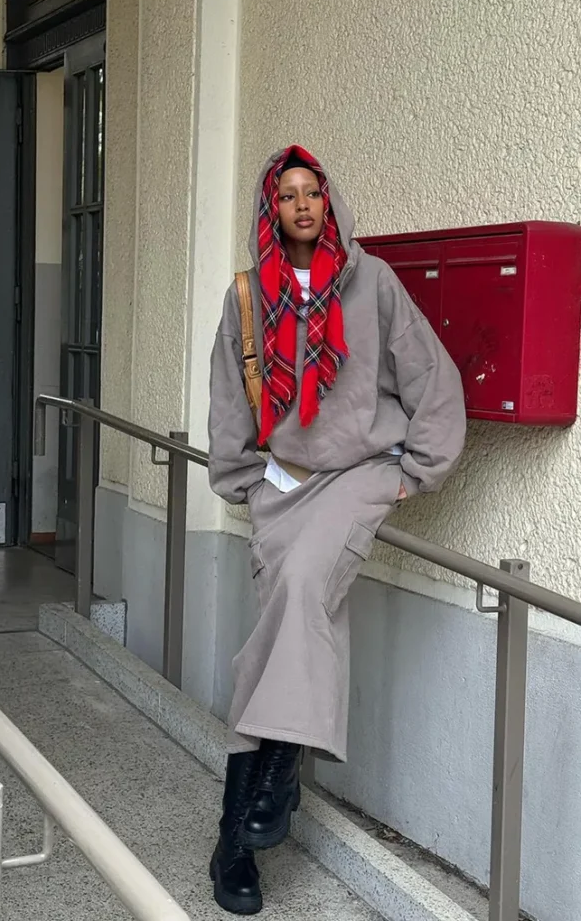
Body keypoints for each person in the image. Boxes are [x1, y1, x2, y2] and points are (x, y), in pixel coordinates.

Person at [207, 145, 466, 914]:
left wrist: (418, 469)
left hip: (356, 477)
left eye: (312, 191)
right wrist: (243, 484)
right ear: (271, 210)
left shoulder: (373, 282)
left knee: (298, 588)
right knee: (282, 632)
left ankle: (267, 791)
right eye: (286, 195)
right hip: (283, 486)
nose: (302, 204)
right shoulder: (248, 297)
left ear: (329, 200)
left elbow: (430, 374)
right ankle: (240, 832)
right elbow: (229, 396)